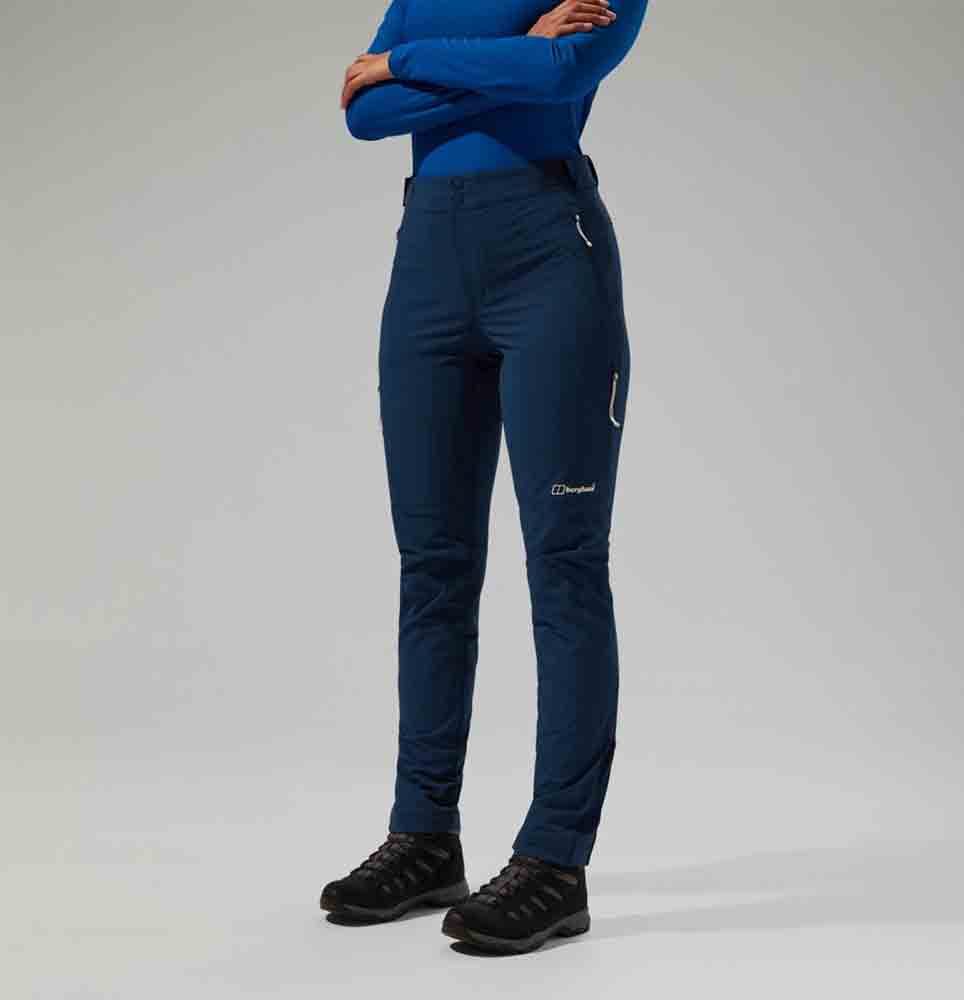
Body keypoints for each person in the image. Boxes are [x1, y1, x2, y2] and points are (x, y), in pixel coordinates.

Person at [321, 0, 648, 954]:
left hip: (550, 256)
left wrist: (405, 65)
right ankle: (425, 836)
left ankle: (555, 859)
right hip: (427, 260)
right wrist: (505, 57)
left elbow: (562, 76)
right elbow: (365, 115)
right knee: (432, 561)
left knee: (566, 562)